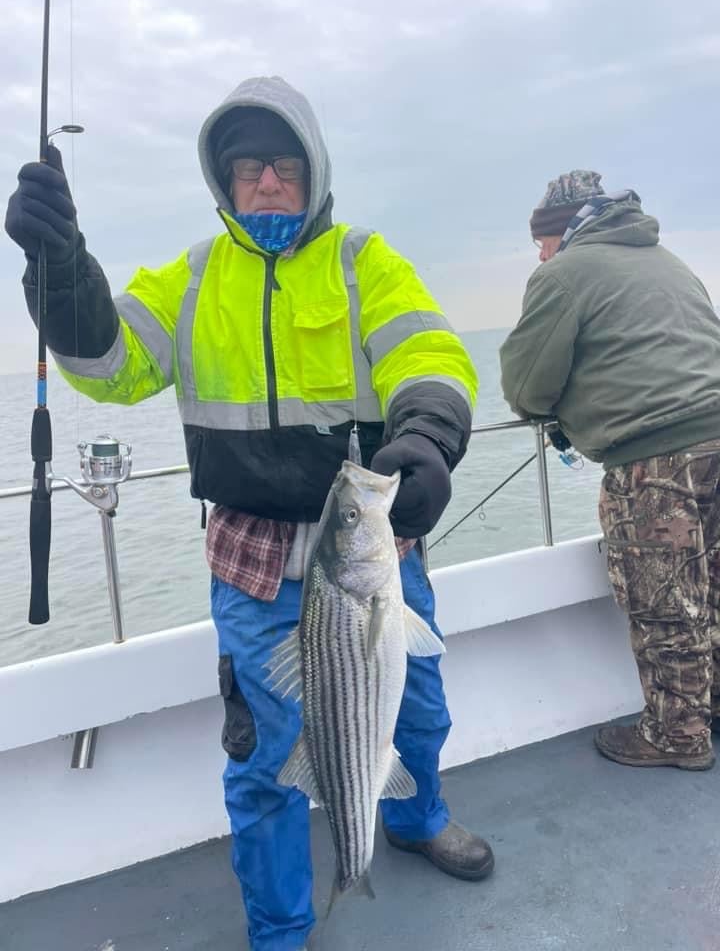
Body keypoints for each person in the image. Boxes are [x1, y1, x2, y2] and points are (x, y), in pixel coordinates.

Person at [6, 76, 493, 950]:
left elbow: (428, 349)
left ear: (312, 171)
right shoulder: (193, 277)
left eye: (282, 165)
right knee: (265, 755)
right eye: (245, 170)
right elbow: (107, 363)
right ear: (223, 185)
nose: (266, 182)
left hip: (370, 542)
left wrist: (426, 435)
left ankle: (417, 819)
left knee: (414, 707)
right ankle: (281, 927)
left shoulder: (362, 260)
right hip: (252, 556)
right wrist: (59, 268)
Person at [499, 168, 720, 773]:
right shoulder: (667, 261)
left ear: (559, 232)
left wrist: (557, 408)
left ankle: (678, 735)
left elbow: (526, 385)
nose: (539, 253)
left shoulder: (563, 273)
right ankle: (710, 705)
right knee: (714, 586)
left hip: (655, 460)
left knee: (664, 602)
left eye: (540, 241)